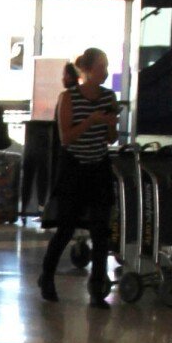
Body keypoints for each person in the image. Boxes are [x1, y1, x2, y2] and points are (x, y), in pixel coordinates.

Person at [38, 47, 118, 306]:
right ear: (88, 69)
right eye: (101, 67)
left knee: (101, 230)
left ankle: (97, 289)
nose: (105, 72)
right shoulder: (69, 97)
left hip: (99, 167)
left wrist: (108, 125)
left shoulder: (108, 97)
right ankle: (47, 276)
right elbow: (66, 137)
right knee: (66, 226)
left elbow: (111, 138)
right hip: (75, 168)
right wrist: (92, 120)